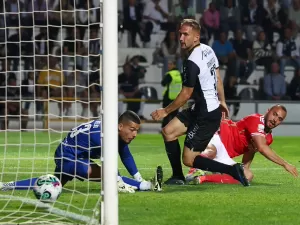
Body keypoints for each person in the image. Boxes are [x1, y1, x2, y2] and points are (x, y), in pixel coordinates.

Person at [151, 18, 249, 186]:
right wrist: (222, 101)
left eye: (185, 35)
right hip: (202, 108)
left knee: (189, 160)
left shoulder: (191, 62)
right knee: (168, 131)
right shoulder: (208, 50)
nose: (181, 38)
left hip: (206, 114)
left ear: (196, 37)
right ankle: (177, 176)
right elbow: (218, 77)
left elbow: (186, 94)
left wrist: (165, 111)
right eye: (180, 34)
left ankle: (232, 170)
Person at [0, 111, 163, 193]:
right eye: (132, 129)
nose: (134, 134)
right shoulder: (103, 135)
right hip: (67, 157)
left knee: (52, 185)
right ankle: (145, 185)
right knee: (98, 172)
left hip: (74, 155)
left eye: (136, 131)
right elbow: (110, 166)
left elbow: (125, 155)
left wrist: (137, 178)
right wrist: (118, 181)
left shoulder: (112, 131)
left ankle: (7, 185)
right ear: (121, 126)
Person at [186, 105, 298, 184]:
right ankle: (193, 172)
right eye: (274, 114)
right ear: (268, 111)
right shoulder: (255, 120)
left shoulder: (268, 138)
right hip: (217, 137)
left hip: (224, 155)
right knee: (211, 151)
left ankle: (203, 178)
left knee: (247, 176)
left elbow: (250, 150)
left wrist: (244, 168)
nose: (275, 120)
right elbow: (261, 147)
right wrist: (285, 164)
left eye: (279, 119)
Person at [161, 59, 182, 128]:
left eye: (170, 64)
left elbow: (163, 83)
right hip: (177, 98)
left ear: (174, 65)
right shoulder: (180, 74)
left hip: (168, 97)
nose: (168, 66)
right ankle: (173, 129)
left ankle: (164, 128)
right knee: (175, 115)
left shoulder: (170, 74)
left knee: (166, 114)